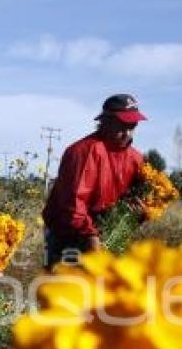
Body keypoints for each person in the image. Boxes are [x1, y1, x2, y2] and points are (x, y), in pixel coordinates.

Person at [42, 94, 146, 267]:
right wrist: (90, 236)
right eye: (122, 125)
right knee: (65, 290)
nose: (127, 133)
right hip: (70, 238)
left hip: (108, 237)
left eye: (132, 126)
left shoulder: (136, 159)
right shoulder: (82, 152)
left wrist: (140, 214)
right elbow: (73, 204)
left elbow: (133, 199)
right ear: (106, 121)